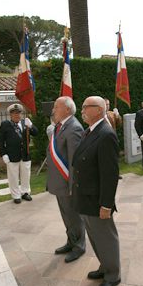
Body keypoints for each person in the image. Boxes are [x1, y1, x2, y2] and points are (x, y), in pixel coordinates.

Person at [73, 96, 121, 286]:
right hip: (86, 197)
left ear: (99, 110)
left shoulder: (106, 134)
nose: (82, 110)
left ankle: (113, 275)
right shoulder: (91, 131)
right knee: (95, 238)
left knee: (106, 238)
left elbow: (110, 175)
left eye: (86, 107)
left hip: (97, 200)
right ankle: (105, 266)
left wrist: (106, 205)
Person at [45, 96, 86, 263]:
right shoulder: (61, 126)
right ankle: (71, 241)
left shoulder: (74, 128)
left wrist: (73, 186)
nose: (53, 110)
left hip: (68, 183)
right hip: (59, 182)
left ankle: (79, 246)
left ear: (67, 110)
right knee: (66, 215)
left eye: (57, 106)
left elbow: (74, 161)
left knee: (74, 216)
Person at [0, 103, 39, 204]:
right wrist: (3, 154)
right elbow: (0, 141)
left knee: (26, 175)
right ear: (10, 115)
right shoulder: (5, 125)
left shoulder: (25, 123)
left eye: (19, 113)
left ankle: (25, 192)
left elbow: (36, 133)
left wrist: (31, 125)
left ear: (21, 114)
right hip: (11, 155)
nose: (17, 115)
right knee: (13, 177)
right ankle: (16, 195)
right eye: (14, 113)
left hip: (25, 154)